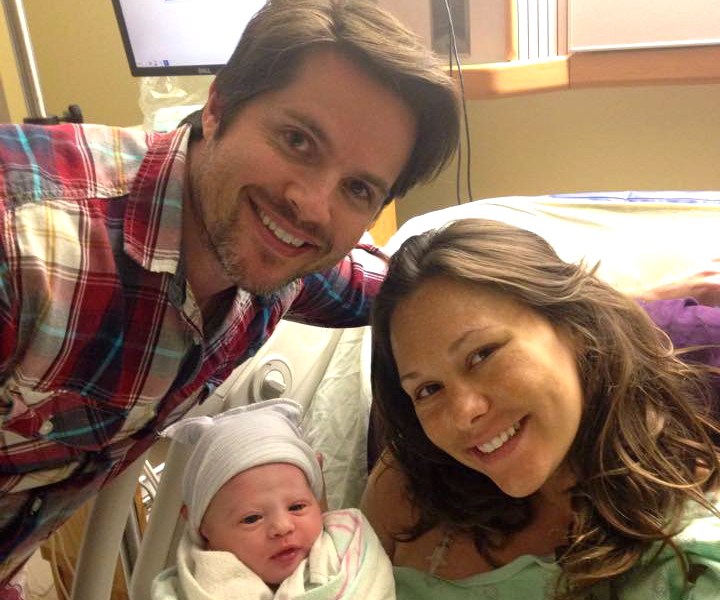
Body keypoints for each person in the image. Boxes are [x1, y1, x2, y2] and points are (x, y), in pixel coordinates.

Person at [0, 0, 461, 591]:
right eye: (297, 140)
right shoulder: (25, 251)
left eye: (357, 188)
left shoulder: (285, 264)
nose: (311, 206)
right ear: (217, 106)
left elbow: (405, 289)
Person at [361, 218, 720, 600]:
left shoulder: (693, 535)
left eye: (482, 354)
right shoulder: (408, 486)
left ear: (575, 327)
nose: (464, 414)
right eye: (429, 389)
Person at [151, 398, 395, 599]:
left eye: (297, 506)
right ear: (203, 528)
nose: (282, 527)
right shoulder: (198, 588)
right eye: (252, 518)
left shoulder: (347, 546)